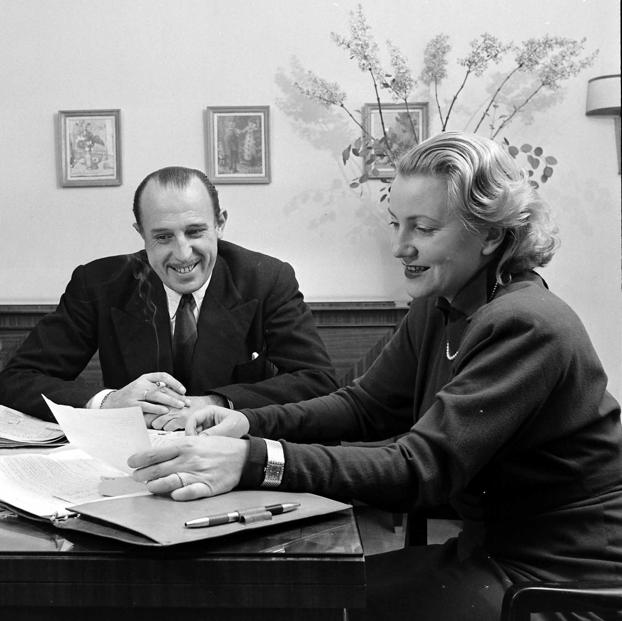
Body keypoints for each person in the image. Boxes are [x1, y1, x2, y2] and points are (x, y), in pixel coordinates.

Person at [128, 134, 622, 620]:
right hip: (489, 556)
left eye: (423, 229)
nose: (400, 247)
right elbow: (362, 404)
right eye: (396, 224)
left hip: (559, 585)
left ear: (491, 235)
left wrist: (255, 459)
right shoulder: (441, 304)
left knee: (304, 604)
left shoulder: (528, 323)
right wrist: (246, 422)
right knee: (297, 595)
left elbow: (418, 469)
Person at [0, 166, 338, 428]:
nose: (182, 253)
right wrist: (108, 403)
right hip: (134, 461)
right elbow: (17, 381)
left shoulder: (267, 279)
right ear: (141, 234)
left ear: (219, 223)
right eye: (162, 237)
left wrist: (216, 403)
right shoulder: (99, 284)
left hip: (234, 456)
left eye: (195, 232)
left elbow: (317, 381)